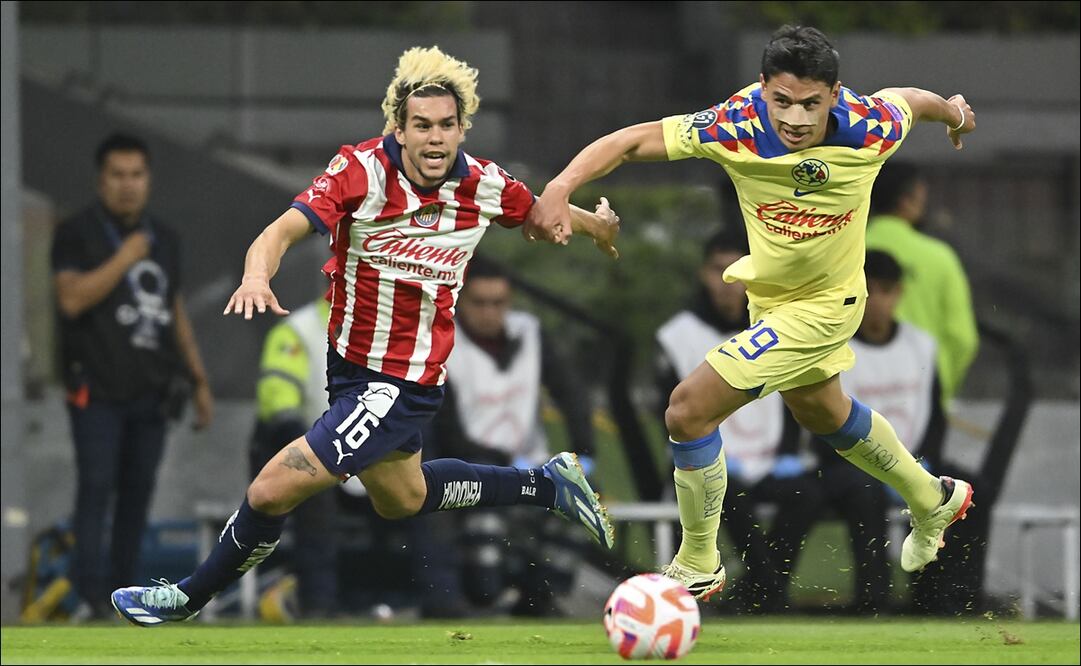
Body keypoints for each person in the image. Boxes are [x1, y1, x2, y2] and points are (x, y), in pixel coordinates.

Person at [111, 45, 619, 625]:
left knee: (273, 489)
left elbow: (538, 213)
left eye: (446, 126)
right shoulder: (360, 172)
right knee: (402, 498)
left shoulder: (482, 184)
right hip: (350, 368)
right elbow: (279, 232)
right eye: (421, 126)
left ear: (462, 129)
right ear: (398, 130)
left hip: (401, 380)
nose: (434, 139)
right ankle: (545, 484)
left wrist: (592, 224)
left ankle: (185, 597)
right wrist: (256, 274)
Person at [530, 25, 977, 600]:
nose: (794, 117)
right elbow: (633, 140)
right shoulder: (736, 123)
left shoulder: (870, 127)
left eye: (811, 104)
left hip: (829, 306)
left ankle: (697, 561)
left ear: (835, 96)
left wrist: (954, 115)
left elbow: (912, 101)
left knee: (687, 410)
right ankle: (932, 497)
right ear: (763, 88)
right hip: (770, 303)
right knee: (824, 412)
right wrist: (560, 187)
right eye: (781, 101)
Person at [51, 133, 214, 618]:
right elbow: (71, 298)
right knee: (96, 486)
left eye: (136, 175)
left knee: (138, 493)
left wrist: (199, 378)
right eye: (118, 176)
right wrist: (125, 258)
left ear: (148, 180)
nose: (127, 186)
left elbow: (174, 308)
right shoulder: (76, 232)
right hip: (95, 388)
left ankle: (122, 596)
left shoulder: (164, 238)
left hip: (152, 389)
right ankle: (90, 595)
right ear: (101, 181)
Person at [411, 260, 596, 617]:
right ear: (461, 300)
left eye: (499, 303)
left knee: (585, 502)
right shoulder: (439, 343)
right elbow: (446, 427)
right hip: (471, 468)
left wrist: (584, 451)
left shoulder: (530, 332)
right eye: (480, 303)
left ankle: (539, 601)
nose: (489, 312)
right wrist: (502, 464)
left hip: (535, 464)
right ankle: (485, 598)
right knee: (487, 536)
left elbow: (571, 392)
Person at [655, 229, 820, 613]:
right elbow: (668, 414)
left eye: (739, 271)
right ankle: (768, 593)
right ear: (703, 274)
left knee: (808, 495)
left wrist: (788, 453)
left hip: (769, 463)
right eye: (718, 270)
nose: (729, 283)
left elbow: (794, 392)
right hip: (708, 461)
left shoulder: (779, 324)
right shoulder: (676, 336)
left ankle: (759, 590)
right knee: (723, 492)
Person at [829, 250, 988, 615]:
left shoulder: (922, 345)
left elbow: (935, 415)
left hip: (917, 459)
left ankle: (947, 601)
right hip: (854, 466)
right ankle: (874, 602)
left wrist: (920, 466)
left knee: (972, 491)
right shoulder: (835, 348)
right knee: (862, 492)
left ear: (898, 293)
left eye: (885, 291)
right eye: (869, 290)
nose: (877, 301)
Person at [249, 296, 340, 619]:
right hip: (313, 453)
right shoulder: (299, 329)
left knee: (422, 482)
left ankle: (439, 596)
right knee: (313, 490)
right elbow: (279, 403)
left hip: (368, 457)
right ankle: (319, 603)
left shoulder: (389, 328)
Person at [866, 161, 978, 404]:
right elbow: (962, 338)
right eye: (921, 196)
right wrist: (941, 393)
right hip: (921, 394)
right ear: (906, 201)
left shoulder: (842, 252)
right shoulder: (940, 257)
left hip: (852, 396)